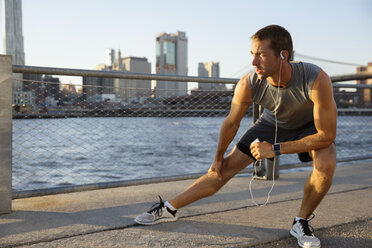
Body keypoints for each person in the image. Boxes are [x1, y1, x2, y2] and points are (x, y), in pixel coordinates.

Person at [134, 25, 337, 248]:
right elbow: (232, 123)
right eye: (252, 55)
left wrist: (275, 149)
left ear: (283, 55)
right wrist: (217, 156)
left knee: (326, 162)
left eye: (260, 54)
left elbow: (326, 135)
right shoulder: (247, 83)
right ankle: (169, 208)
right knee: (221, 170)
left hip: (309, 125)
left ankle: (301, 221)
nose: (254, 62)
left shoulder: (316, 79)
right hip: (271, 124)